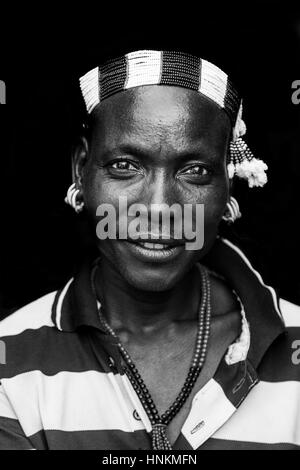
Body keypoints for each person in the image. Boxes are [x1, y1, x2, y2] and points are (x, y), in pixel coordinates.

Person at [0, 49, 299, 450]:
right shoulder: (10, 361)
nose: (159, 208)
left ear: (228, 185)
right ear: (81, 171)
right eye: (125, 166)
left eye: (194, 170)